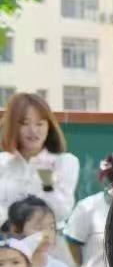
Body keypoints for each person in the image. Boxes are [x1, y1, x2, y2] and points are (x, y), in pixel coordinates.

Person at [0, 91, 82, 225]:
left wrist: (46, 179)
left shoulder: (65, 162)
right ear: (13, 126)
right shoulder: (2, 162)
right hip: (6, 240)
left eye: (40, 124)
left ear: (49, 126)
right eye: (25, 123)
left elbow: (62, 212)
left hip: (46, 242)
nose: (33, 130)